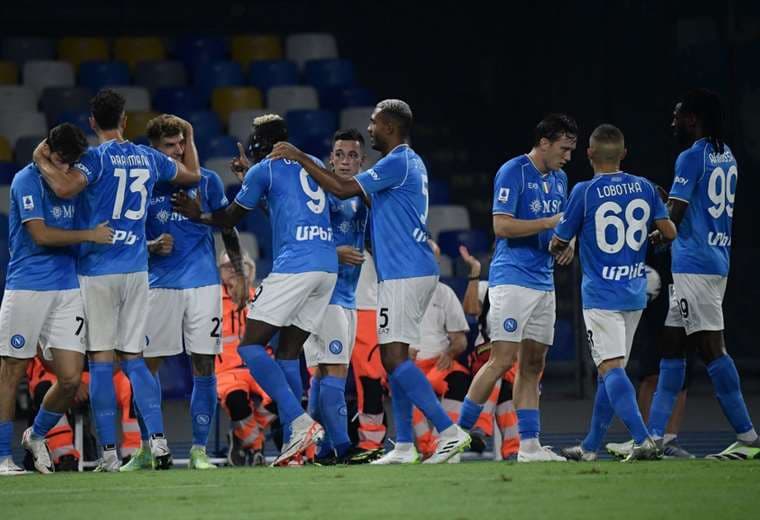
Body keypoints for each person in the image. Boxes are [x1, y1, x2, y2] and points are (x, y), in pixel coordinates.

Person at [269, 99, 471, 464]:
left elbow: (344, 189)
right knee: (394, 360)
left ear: (389, 127)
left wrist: (299, 157)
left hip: (404, 272)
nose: (370, 127)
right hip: (406, 270)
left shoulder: (397, 161)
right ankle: (405, 445)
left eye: (375, 123)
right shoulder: (409, 163)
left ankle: (449, 431)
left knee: (393, 358)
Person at [31, 89, 202, 471]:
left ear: (93, 122)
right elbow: (192, 175)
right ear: (125, 121)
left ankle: (109, 453)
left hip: (98, 270)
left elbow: (63, 187)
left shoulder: (94, 159)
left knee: (102, 363)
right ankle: (159, 443)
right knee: (136, 360)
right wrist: (189, 136)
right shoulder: (148, 156)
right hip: (137, 270)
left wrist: (41, 158)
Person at [173, 114, 337, 466]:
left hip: (296, 265)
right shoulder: (313, 162)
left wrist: (197, 215)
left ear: (260, 144)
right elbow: (281, 206)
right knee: (288, 353)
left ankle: (299, 422)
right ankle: (297, 448)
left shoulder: (266, 169)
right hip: (327, 265)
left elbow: (229, 218)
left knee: (249, 346)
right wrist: (250, 176)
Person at [119, 114, 246, 471]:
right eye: (168, 146)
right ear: (153, 150)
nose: (176, 151)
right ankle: (147, 447)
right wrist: (150, 246)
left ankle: (198, 451)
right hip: (157, 286)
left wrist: (239, 272)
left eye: (181, 143)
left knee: (204, 364)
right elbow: (122, 239)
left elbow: (228, 226)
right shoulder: (142, 185)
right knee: (146, 366)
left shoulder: (206, 181)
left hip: (203, 285)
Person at [549, 123, 676, 461]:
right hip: (634, 294)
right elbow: (669, 232)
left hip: (601, 296)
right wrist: (654, 235)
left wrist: (558, 244)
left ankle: (642, 439)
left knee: (610, 369)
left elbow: (560, 240)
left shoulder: (584, 191)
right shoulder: (645, 187)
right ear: (624, 154)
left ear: (589, 153)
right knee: (611, 370)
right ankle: (590, 447)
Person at [645, 89, 760, 460]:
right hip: (711, 258)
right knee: (672, 346)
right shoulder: (726, 154)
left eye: (678, 115)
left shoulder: (691, 156)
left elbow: (674, 217)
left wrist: (655, 227)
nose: (673, 121)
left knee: (712, 349)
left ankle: (748, 437)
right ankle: (656, 438)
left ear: (692, 118)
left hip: (695, 265)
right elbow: (696, 209)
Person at [456, 113, 577, 462]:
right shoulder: (513, 171)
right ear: (544, 142)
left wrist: (567, 243)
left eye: (571, 150)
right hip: (512, 280)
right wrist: (549, 222)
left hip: (544, 282)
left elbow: (562, 227)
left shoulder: (561, 179)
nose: (568, 156)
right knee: (501, 360)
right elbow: (502, 227)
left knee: (533, 365)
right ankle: (456, 434)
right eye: (564, 149)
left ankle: (529, 446)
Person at [0, 123, 113, 476]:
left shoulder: (72, 180)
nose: (66, 168)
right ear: (48, 150)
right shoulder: (26, 180)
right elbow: (41, 234)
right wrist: (89, 235)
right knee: (12, 371)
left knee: (70, 378)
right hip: (27, 287)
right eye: (62, 160)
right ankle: (2, 456)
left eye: (71, 162)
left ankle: (36, 435)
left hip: (66, 289)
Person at [303, 129, 370, 464]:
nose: (345, 161)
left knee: (323, 373)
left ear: (362, 162)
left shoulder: (362, 197)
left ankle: (319, 449)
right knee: (336, 370)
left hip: (347, 295)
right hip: (322, 295)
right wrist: (335, 252)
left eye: (352, 155)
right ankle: (342, 447)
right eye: (340, 154)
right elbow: (301, 240)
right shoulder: (319, 195)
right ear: (330, 159)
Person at [408, 240, 470, 461]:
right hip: (410, 366)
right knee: (406, 383)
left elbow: (460, 340)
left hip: (439, 364)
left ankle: (442, 442)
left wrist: (450, 353)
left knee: (459, 381)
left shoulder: (445, 293)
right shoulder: (400, 292)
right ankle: (426, 447)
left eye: (433, 261)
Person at [459, 245, 520, 459]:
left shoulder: (525, 292)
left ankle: (511, 449)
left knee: (507, 392)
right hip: (486, 355)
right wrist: (475, 272)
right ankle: (483, 428)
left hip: (515, 359)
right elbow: (470, 309)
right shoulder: (486, 288)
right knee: (497, 370)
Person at [215, 251, 274, 466]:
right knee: (237, 401)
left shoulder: (260, 298)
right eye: (227, 266)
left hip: (259, 367)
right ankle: (256, 445)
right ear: (220, 272)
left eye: (238, 265)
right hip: (226, 371)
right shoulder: (210, 300)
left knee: (282, 397)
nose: (233, 270)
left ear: (250, 269)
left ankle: (241, 438)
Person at [350, 251, 386, 458]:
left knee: (370, 380)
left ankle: (371, 442)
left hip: (366, 306)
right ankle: (322, 444)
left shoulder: (370, 237)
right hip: (327, 305)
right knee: (322, 376)